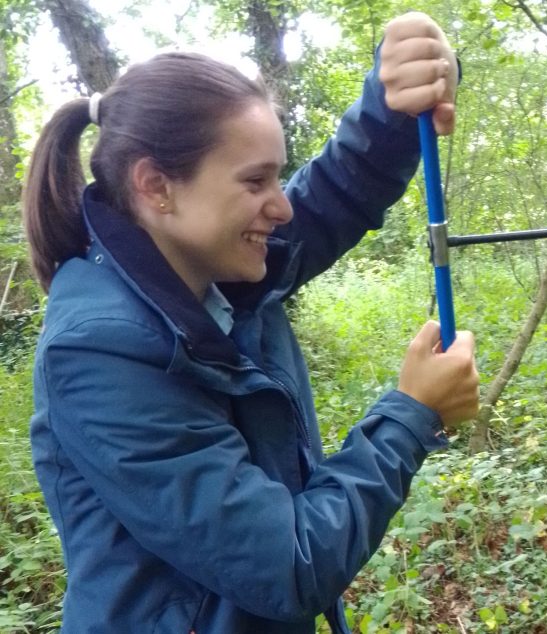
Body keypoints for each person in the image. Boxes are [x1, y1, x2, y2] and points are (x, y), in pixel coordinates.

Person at [23, 11, 478, 634]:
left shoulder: (217, 269)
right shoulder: (99, 353)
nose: (281, 204)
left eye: (277, 174)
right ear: (157, 186)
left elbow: (336, 194)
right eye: (255, 180)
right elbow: (287, 566)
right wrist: (410, 413)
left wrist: (395, 102)